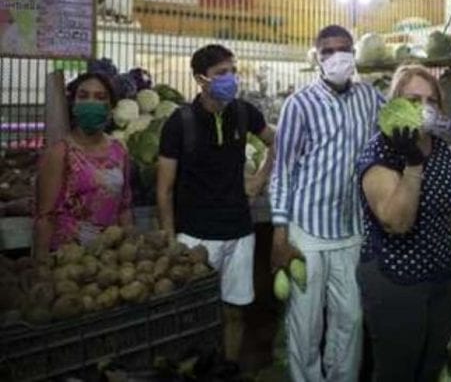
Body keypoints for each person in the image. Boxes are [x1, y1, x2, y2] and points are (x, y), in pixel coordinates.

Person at [269, 25, 384, 382]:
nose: (337, 57)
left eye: (344, 49)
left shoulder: (370, 97)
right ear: (317, 57)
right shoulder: (299, 104)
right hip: (307, 229)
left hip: (351, 230)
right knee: (306, 323)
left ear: (354, 53)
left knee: (350, 319)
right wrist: (279, 233)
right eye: (328, 51)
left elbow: (406, 120)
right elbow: (283, 170)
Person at [157, 44, 275, 364]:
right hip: (195, 237)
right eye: (221, 73)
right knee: (190, 317)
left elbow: (275, 140)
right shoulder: (180, 123)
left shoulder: (243, 112)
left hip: (239, 232)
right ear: (201, 79)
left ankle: (227, 370)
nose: (231, 79)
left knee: (234, 312)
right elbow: (164, 188)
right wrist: (169, 237)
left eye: (232, 71)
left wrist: (261, 177)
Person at [357, 65, 451, 382]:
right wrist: (413, 164)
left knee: (432, 367)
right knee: (397, 372)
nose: (424, 108)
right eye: (414, 99)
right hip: (397, 277)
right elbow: (397, 222)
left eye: (431, 101)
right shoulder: (380, 150)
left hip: (443, 276)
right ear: (396, 104)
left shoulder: (442, 149)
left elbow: (450, 209)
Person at [34, 72, 132, 260]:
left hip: (110, 258)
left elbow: (124, 207)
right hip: (69, 261)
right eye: (83, 96)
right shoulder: (60, 153)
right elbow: (45, 216)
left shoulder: (119, 152)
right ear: (74, 104)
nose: (91, 103)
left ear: (110, 107)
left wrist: (129, 250)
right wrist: (41, 264)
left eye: (100, 97)